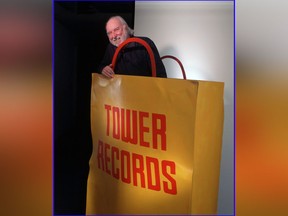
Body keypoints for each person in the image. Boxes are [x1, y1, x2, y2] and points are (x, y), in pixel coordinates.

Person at [98, 16, 167, 78]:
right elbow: (102, 66)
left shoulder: (145, 43)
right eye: (109, 33)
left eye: (116, 29)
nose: (113, 36)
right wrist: (103, 69)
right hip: (120, 91)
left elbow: (160, 74)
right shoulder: (110, 48)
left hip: (144, 90)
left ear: (125, 28)